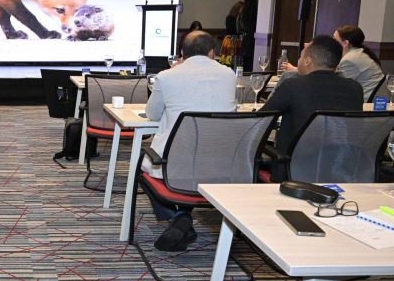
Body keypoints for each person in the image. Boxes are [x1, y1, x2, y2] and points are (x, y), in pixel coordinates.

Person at [143, 31, 236, 251]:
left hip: (176, 164)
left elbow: (152, 114)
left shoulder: (167, 76)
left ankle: (179, 217)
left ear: (182, 53)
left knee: (142, 165)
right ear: (212, 52)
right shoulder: (228, 75)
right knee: (191, 169)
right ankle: (182, 217)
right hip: (223, 163)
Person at [260, 35, 363, 180]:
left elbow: (260, 121)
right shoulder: (355, 88)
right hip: (342, 170)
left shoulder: (293, 85)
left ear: (308, 61)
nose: (299, 60)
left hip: (293, 172)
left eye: (301, 56)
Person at [333, 25, 384, 101]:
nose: (332, 41)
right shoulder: (358, 53)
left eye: (334, 39)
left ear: (345, 43)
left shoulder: (350, 59)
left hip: (366, 104)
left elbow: (338, 87)